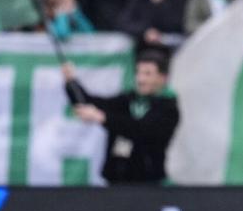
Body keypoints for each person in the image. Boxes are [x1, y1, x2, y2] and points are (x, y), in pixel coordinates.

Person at [62, 48, 179, 185]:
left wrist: (103, 117)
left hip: (149, 183)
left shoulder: (168, 108)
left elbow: (141, 130)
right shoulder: (127, 100)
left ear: (162, 78)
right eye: (138, 73)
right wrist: (71, 82)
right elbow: (89, 102)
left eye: (147, 74)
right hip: (116, 180)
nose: (140, 79)